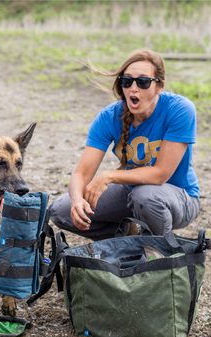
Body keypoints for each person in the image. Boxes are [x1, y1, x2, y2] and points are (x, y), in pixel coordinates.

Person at [49, 49, 200, 239]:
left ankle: (157, 250)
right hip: (132, 193)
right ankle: (125, 239)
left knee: (145, 196)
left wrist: (109, 176)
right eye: (127, 81)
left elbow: (161, 174)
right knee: (61, 211)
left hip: (180, 198)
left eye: (143, 82)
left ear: (159, 86)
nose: (133, 88)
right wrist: (77, 199)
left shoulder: (179, 109)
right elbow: (81, 173)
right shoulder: (109, 117)